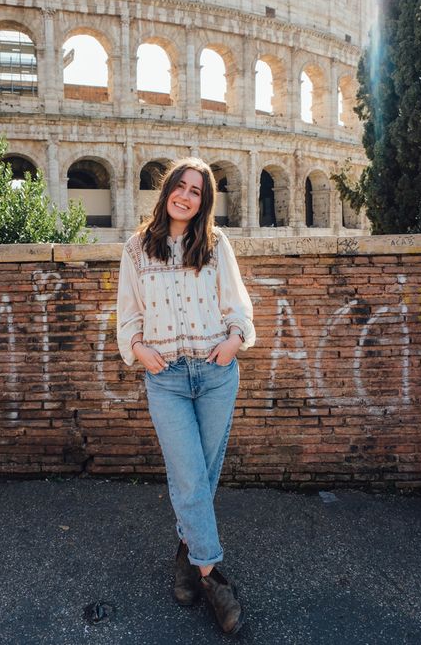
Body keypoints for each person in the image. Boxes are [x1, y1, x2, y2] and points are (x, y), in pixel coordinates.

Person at [117, 158, 255, 635]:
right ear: (167, 191)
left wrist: (234, 341)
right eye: (181, 186)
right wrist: (138, 349)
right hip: (168, 379)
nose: (186, 196)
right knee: (189, 476)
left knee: (202, 477)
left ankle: (184, 555)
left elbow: (238, 306)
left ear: (204, 202)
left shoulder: (216, 246)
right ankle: (214, 578)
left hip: (217, 374)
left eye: (197, 191)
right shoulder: (137, 249)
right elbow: (127, 314)